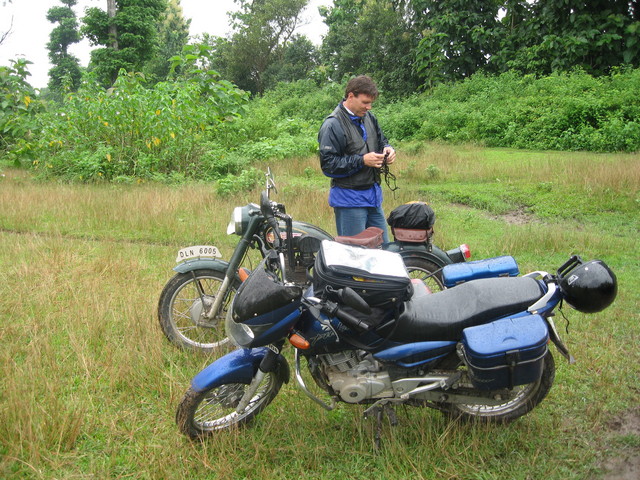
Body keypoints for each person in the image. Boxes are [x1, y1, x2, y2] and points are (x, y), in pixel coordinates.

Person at [318, 75, 396, 243]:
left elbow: (381, 140)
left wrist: (388, 149)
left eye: (371, 103)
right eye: (365, 102)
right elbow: (328, 166)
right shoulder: (332, 125)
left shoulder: (369, 117)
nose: (369, 107)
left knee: (385, 249)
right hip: (349, 201)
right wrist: (361, 160)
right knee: (355, 256)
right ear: (351, 96)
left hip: (373, 197)